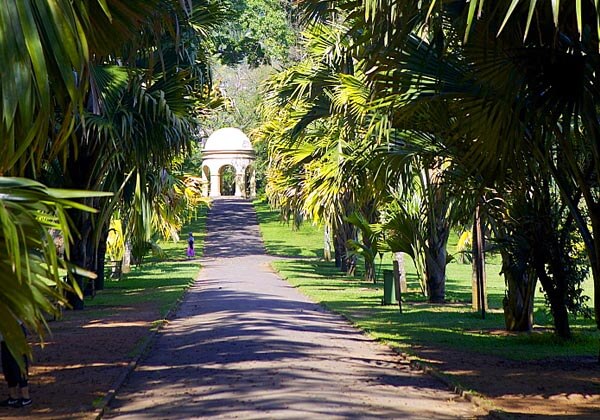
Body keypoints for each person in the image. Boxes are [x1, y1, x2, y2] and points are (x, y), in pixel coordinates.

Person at [0, 324, 31, 408]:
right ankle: (13, 397)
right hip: (4, 336)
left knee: (19, 364)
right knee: (7, 365)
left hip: (15, 332)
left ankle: (26, 397)